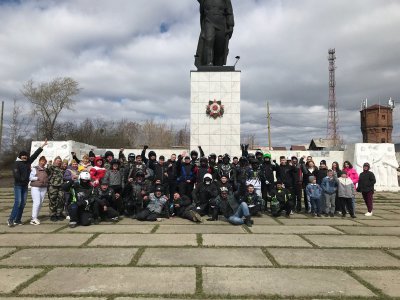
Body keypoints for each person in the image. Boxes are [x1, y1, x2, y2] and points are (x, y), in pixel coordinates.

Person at [194, 0, 234, 67]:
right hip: (209, 21)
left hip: (221, 22)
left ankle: (218, 65)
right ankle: (209, 62)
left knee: (220, 46)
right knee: (209, 40)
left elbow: (229, 12)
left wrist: (230, 25)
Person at [29, 156, 49, 225]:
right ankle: (33, 218)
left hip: (43, 188)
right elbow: (30, 177)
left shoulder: (46, 169)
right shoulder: (35, 169)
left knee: (40, 203)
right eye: (42, 161)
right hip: (36, 187)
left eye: (44, 162)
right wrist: (37, 178)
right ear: (39, 161)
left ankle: (36, 217)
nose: (43, 163)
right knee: (36, 202)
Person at [47, 156, 65, 221]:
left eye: (60, 161)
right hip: (53, 186)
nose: (58, 162)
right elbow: (48, 168)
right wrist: (49, 163)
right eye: (57, 161)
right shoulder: (52, 167)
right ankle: (53, 214)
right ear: (55, 161)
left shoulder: (62, 169)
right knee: (52, 200)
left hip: (61, 186)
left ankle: (59, 213)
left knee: (61, 200)